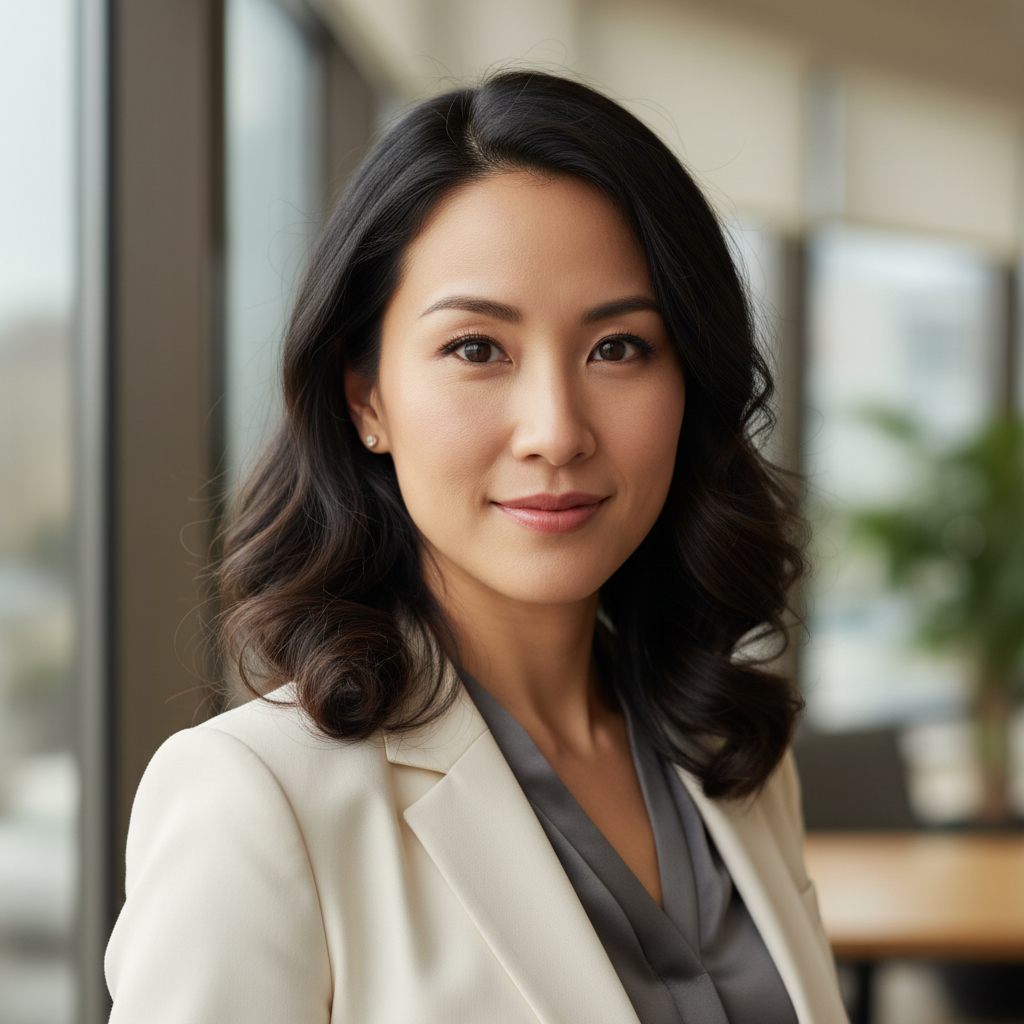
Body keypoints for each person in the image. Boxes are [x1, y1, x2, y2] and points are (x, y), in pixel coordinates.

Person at [105, 70, 847, 1023]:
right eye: (476, 348)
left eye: (618, 347)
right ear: (366, 398)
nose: (556, 432)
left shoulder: (732, 756)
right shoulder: (258, 796)